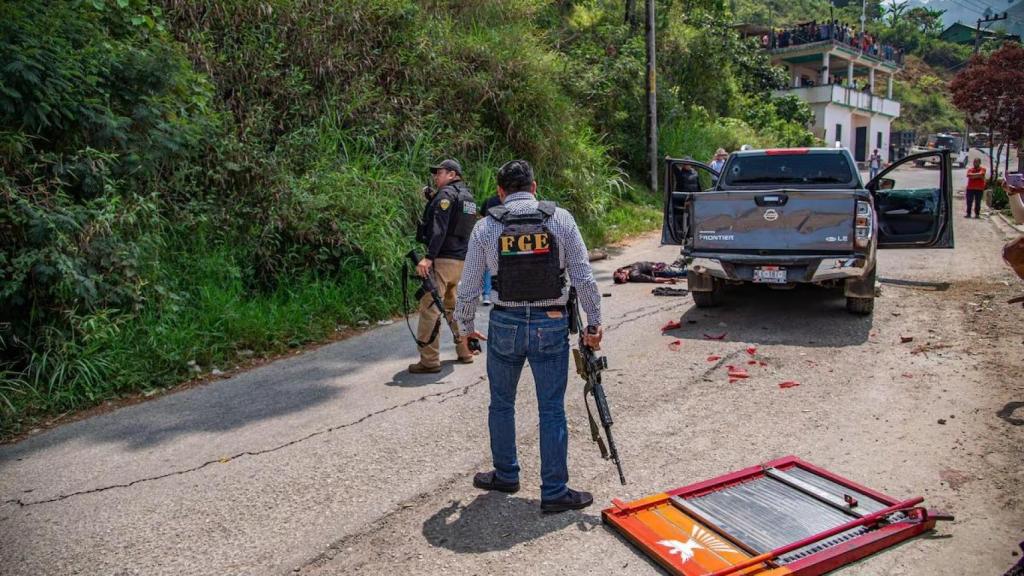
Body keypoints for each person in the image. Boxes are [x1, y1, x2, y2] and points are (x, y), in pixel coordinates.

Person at [455, 159, 603, 513]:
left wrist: (465, 327)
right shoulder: (560, 219)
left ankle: (506, 475)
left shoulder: (485, 228)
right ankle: (554, 492)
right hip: (550, 323)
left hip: (504, 324)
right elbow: (584, 277)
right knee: (551, 409)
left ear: (500, 192)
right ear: (534, 188)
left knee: (501, 403)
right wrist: (594, 325)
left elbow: (469, 285)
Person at [409, 159, 478, 374]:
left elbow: (439, 228)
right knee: (452, 307)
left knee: (429, 307)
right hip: (461, 261)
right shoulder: (468, 197)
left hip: (443, 260)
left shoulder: (446, 196)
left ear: (451, 174)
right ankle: (465, 351)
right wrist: (434, 198)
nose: (435, 177)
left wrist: (428, 257)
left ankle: (429, 361)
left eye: (439, 173)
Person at [479, 194, 502, 306]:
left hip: (489, 234)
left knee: (488, 265)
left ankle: (487, 294)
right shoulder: (511, 201)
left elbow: (482, 214)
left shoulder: (489, 200)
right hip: (506, 235)